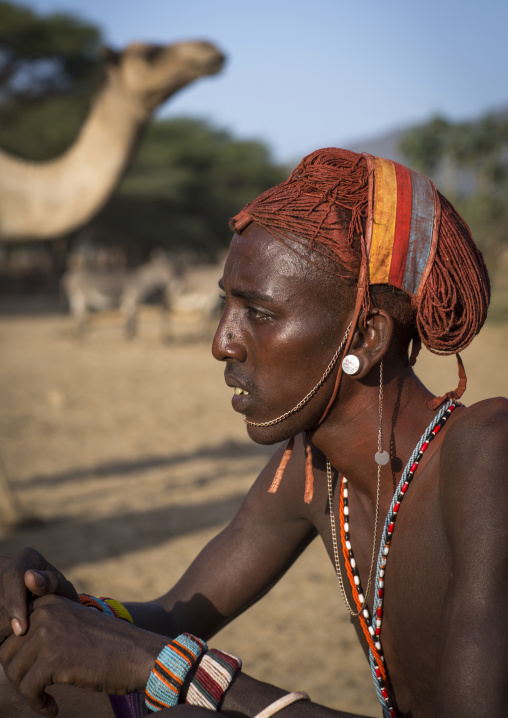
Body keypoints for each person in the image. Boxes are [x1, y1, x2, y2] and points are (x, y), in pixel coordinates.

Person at [0, 148, 505, 718]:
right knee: (16, 670)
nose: (222, 342)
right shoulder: (314, 473)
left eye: (258, 313)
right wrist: (57, 601)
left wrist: (163, 664)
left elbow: (159, 645)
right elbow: (171, 616)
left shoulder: (487, 452)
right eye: (226, 303)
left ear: (366, 337)